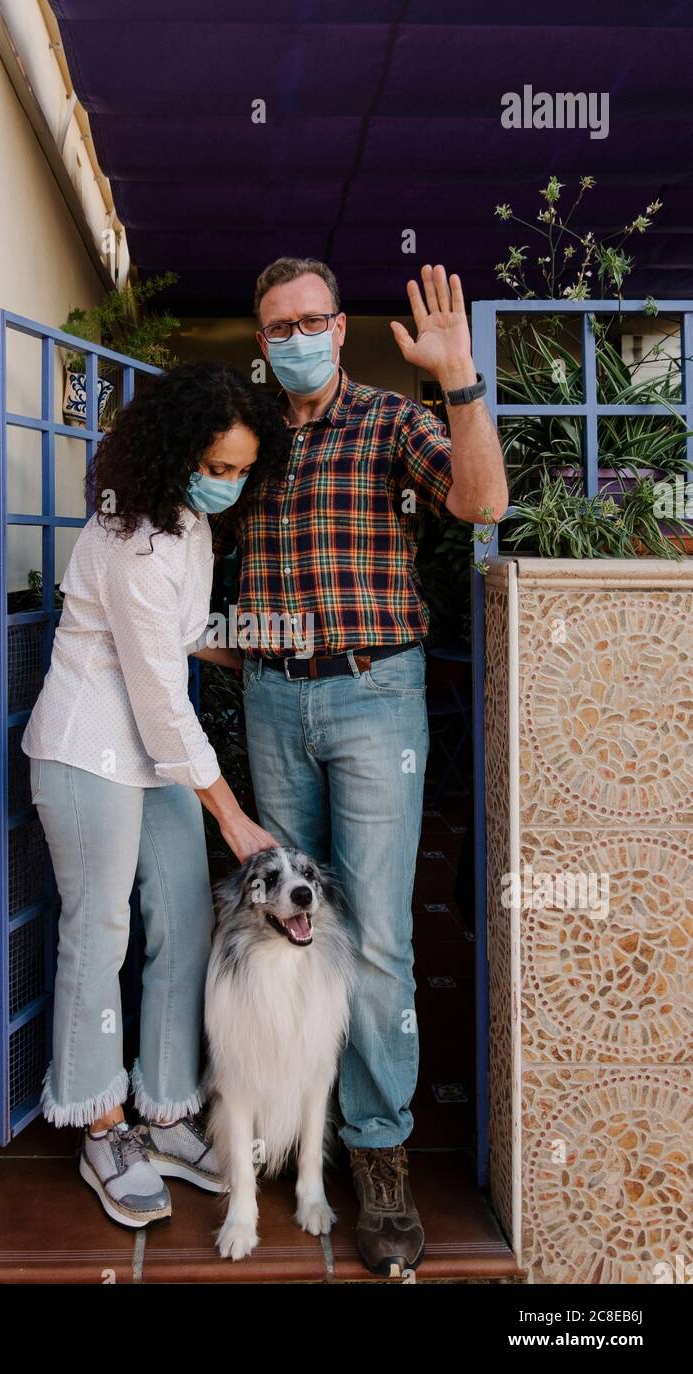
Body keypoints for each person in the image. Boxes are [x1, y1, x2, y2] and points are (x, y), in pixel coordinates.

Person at [213, 258, 508, 1275]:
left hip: (372, 693)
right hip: (267, 691)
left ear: (339, 330)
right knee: (288, 924)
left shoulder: (388, 422)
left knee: (375, 936)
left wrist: (458, 378)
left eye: (308, 320)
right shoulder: (245, 437)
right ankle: (303, 1133)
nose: (291, 336)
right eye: (275, 325)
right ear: (262, 340)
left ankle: (379, 1153)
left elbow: (480, 502)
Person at [21, 360, 287, 1230]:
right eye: (215, 468)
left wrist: (265, 642)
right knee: (99, 933)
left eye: (242, 470)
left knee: (184, 918)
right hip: (90, 750)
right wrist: (233, 814)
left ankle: (167, 1110)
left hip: (157, 756)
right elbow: (156, 692)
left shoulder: (187, 528)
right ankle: (101, 1124)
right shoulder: (130, 539)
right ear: (175, 452)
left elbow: (182, 639)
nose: (228, 484)